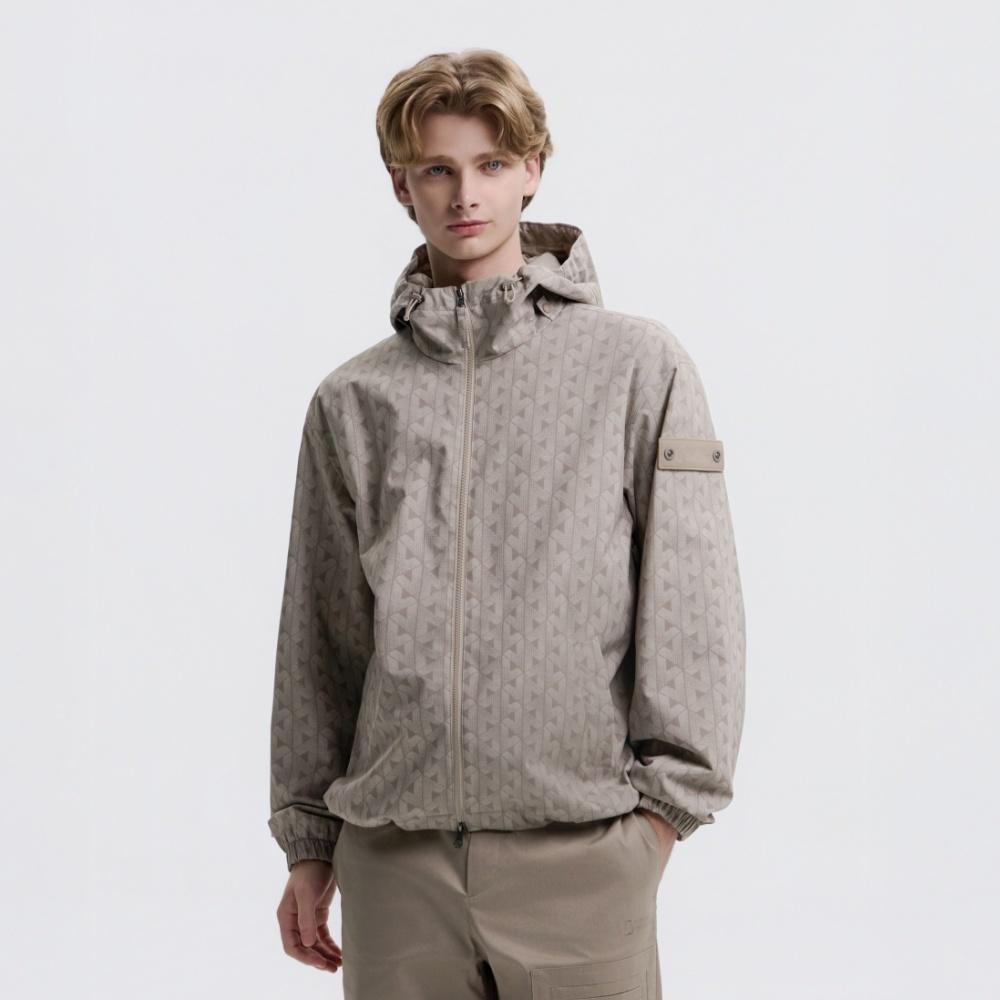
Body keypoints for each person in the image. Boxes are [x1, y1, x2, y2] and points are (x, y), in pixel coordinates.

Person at [268, 48, 746, 1000]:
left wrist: (659, 821)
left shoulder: (637, 368)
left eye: (490, 164)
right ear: (400, 185)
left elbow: (693, 600)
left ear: (532, 169)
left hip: (582, 859)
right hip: (394, 868)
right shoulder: (353, 400)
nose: (465, 194)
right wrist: (309, 842)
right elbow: (320, 638)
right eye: (436, 169)